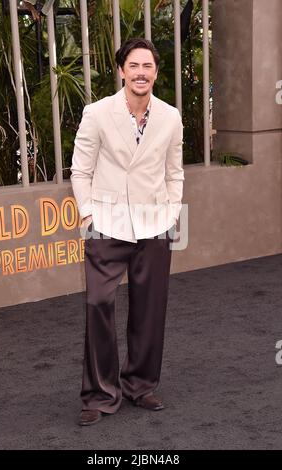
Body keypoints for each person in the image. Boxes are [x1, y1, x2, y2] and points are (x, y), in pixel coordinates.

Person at [70, 38, 184, 426]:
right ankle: (100, 393)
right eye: (133, 66)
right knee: (98, 303)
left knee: (150, 309)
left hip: (154, 226)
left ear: (155, 72)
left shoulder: (170, 117)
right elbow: (81, 171)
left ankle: (140, 384)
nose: (140, 73)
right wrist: (88, 215)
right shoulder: (97, 113)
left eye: (147, 66)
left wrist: (171, 214)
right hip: (106, 225)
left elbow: (174, 171)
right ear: (121, 70)